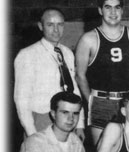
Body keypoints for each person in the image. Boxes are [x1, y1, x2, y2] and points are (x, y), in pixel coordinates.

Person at [75, 0, 129, 145]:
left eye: (117, 7)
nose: (113, 12)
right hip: (101, 101)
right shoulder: (89, 39)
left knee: (128, 148)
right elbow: (80, 76)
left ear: (122, 10)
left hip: (127, 102)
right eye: (108, 7)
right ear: (100, 10)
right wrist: (91, 101)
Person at [14, 8, 85, 140]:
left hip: (67, 118)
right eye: (50, 25)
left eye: (60, 24)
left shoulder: (67, 53)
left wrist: (80, 123)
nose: (56, 30)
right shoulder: (27, 55)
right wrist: (31, 133)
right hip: (42, 119)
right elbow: (21, 99)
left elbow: (73, 88)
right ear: (41, 26)